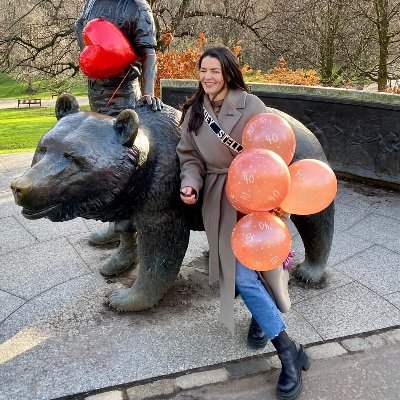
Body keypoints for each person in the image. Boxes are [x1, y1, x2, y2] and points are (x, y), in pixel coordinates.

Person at [176, 46, 310, 400]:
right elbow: (189, 156)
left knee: (249, 273)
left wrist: (275, 201)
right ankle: (266, 323)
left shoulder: (251, 106)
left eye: (215, 71)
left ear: (228, 73)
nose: (207, 77)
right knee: (244, 274)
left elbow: (274, 151)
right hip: (219, 200)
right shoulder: (192, 112)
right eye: (203, 70)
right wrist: (189, 182)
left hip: (255, 197)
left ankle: (288, 352)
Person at [75, 0, 162, 275]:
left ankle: (129, 244)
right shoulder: (92, 2)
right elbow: (81, 27)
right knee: (101, 161)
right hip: (96, 91)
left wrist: (148, 93)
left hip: (123, 95)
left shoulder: (137, 7)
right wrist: (95, 59)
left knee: (121, 168)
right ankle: (115, 224)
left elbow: (149, 54)